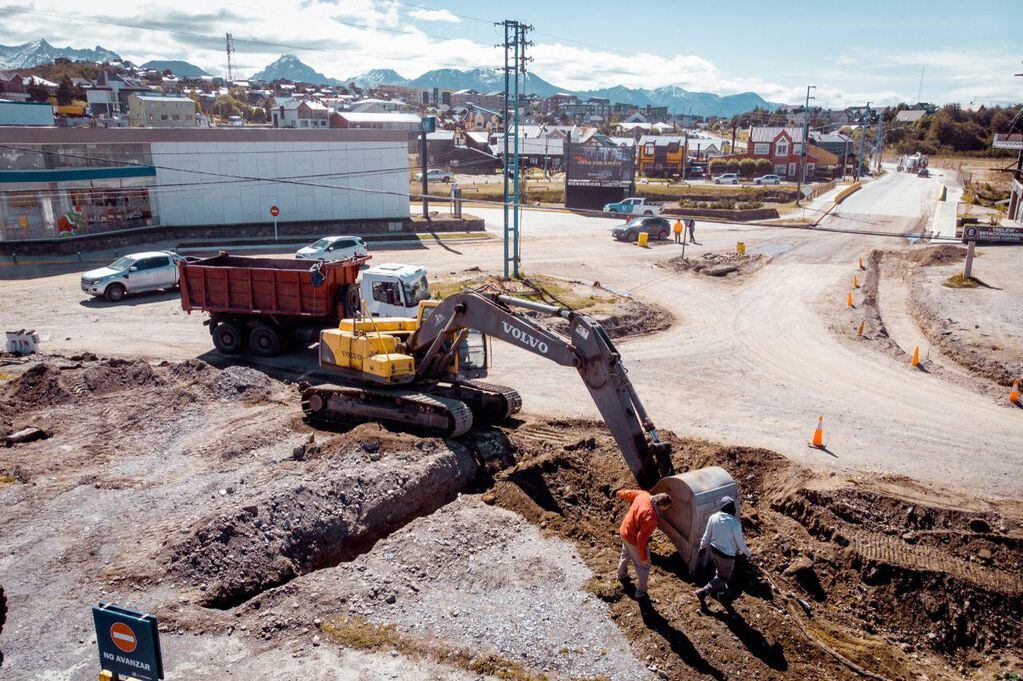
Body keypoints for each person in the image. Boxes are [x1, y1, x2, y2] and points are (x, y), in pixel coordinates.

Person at [694, 496, 751, 611]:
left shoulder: (713, 517)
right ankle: (703, 592)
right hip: (727, 555)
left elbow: (707, 534)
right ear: (730, 509)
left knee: (720, 571)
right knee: (724, 577)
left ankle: (721, 592)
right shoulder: (734, 523)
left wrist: (702, 547)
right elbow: (740, 543)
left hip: (714, 550)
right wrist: (749, 553)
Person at [616, 489, 672, 600]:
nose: (665, 510)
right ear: (661, 505)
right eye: (666, 508)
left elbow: (630, 494)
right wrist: (643, 557)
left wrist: (620, 493)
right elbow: (640, 540)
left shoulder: (644, 495)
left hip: (624, 530)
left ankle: (620, 575)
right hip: (632, 538)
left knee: (625, 553)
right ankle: (641, 592)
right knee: (644, 566)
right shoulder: (651, 517)